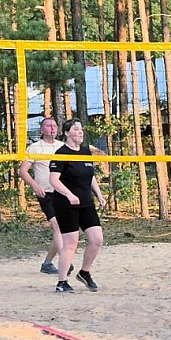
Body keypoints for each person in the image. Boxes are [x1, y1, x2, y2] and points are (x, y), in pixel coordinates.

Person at [49, 118, 107, 293]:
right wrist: (69, 194)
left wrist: (99, 194)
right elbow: (53, 180)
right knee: (71, 243)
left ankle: (84, 272)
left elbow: (90, 177)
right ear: (67, 133)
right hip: (66, 204)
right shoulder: (61, 153)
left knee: (97, 239)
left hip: (86, 203)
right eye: (76, 129)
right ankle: (62, 282)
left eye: (81, 129)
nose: (80, 132)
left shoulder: (85, 152)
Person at [19, 117, 69, 275]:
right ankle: (65, 262)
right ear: (41, 130)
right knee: (57, 227)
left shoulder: (63, 147)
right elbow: (23, 171)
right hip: (45, 192)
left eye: (54, 126)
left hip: (62, 192)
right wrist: (35, 185)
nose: (52, 128)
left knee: (61, 229)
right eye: (48, 126)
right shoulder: (34, 148)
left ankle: (47, 263)